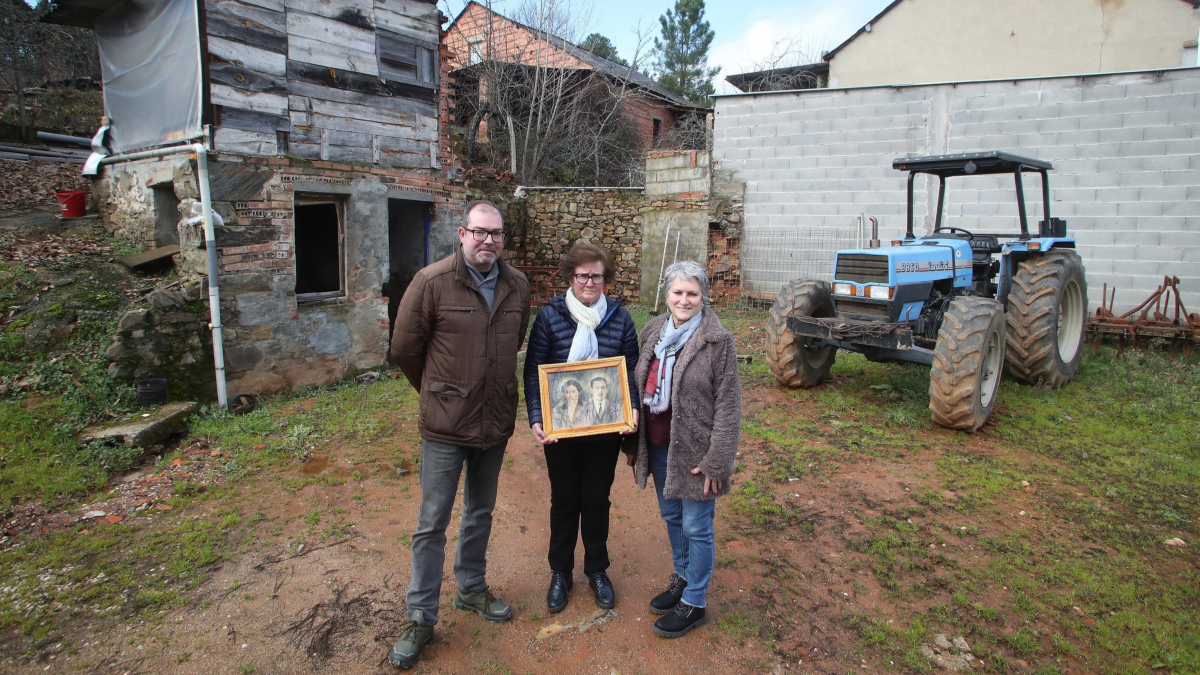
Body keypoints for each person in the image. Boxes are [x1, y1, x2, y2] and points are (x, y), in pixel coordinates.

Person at [386, 200, 531, 669]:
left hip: (493, 422)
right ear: (461, 233)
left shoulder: (518, 285)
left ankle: (471, 588)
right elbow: (406, 350)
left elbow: (515, 341)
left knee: (481, 510)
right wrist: (440, 394)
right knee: (432, 522)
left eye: (496, 234)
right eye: (479, 232)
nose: (488, 241)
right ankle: (420, 616)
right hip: (445, 428)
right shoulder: (431, 282)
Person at [523, 241, 640, 614]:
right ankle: (560, 572)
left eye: (597, 276)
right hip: (562, 431)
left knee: (595, 500)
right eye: (582, 275)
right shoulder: (550, 317)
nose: (589, 282)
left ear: (606, 279)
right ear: (571, 277)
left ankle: (597, 570)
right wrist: (538, 417)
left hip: (605, 431)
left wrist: (631, 410)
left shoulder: (620, 319)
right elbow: (533, 371)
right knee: (564, 501)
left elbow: (632, 374)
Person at [632, 260, 741, 638]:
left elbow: (728, 404)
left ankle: (694, 601)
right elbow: (636, 388)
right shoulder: (652, 332)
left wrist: (718, 460)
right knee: (672, 518)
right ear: (666, 295)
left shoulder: (717, 341)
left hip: (697, 453)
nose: (684, 299)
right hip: (660, 446)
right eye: (677, 292)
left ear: (703, 297)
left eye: (692, 293)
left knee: (697, 526)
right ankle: (682, 575)